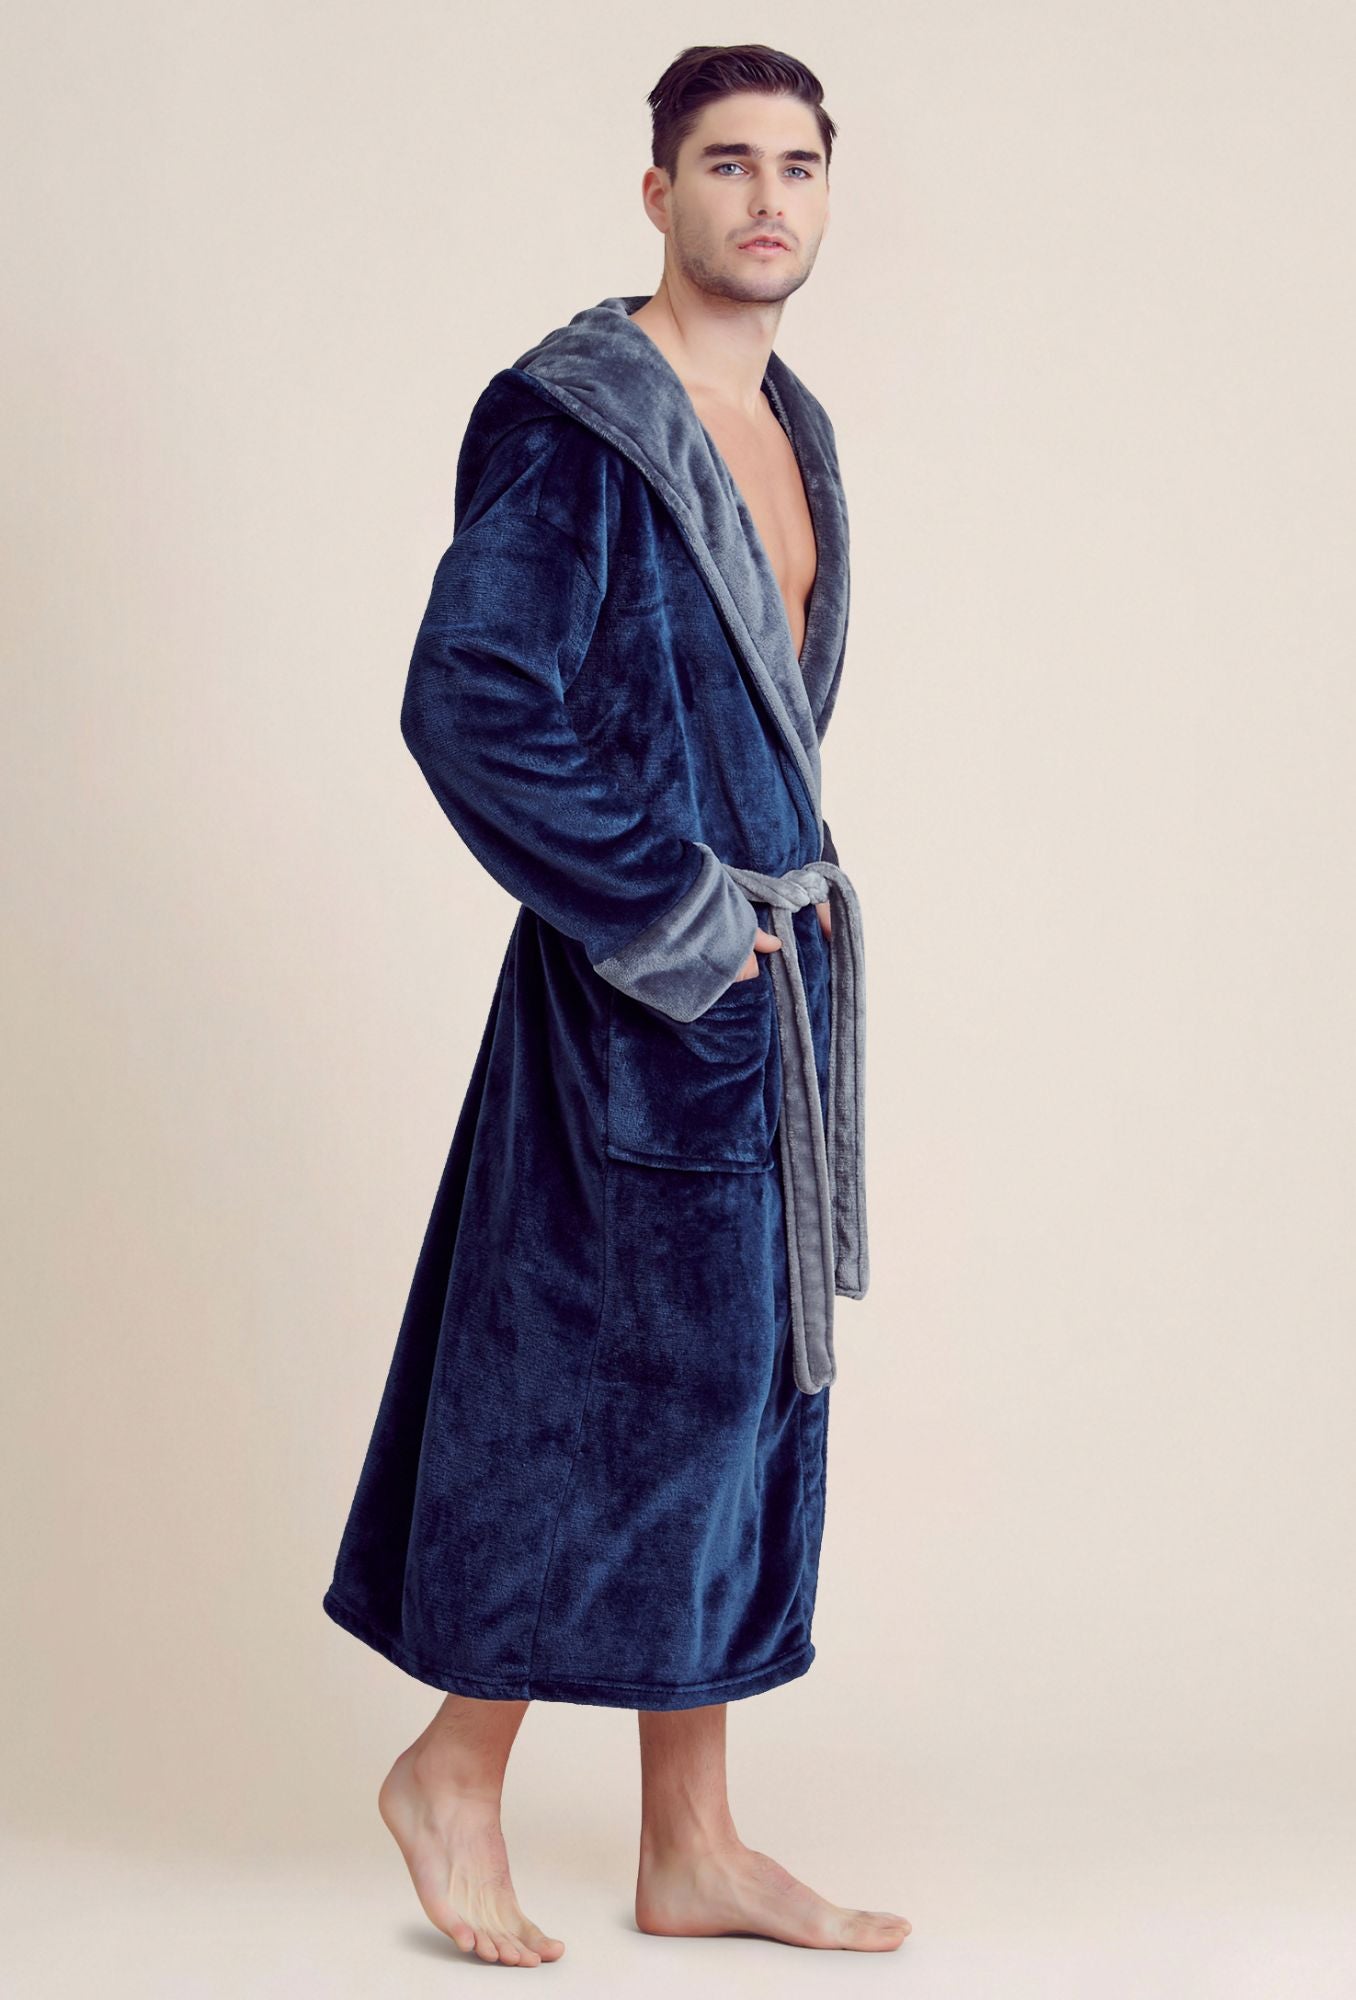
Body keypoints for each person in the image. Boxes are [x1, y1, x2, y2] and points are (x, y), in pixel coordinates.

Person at [322, 43, 908, 1964]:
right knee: (585, 1396)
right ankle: (452, 1770)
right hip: (638, 992)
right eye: (727, 163)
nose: (766, 197)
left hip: (757, 1008)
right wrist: (673, 917)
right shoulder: (582, 425)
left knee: (733, 1400)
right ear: (656, 191)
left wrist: (757, 949)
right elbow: (470, 695)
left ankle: (692, 1843)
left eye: (797, 165)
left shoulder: (792, 424)